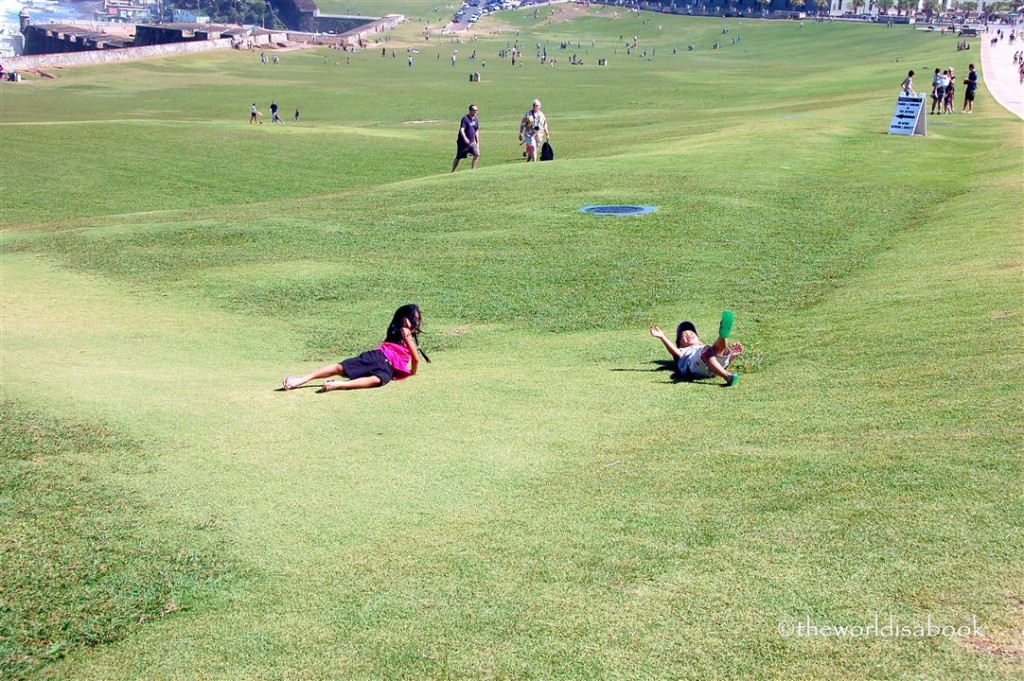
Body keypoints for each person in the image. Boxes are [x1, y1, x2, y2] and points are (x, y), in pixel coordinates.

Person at [282, 305, 428, 392]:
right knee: (377, 380)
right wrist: (411, 372)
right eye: (415, 319)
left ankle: (304, 379)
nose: (417, 322)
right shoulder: (406, 333)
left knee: (341, 368)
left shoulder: (397, 331)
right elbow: (415, 359)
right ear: (404, 319)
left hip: (377, 357)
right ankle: (338, 385)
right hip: (385, 364)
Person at [649, 310, 741, 387]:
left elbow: (722, 364)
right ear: (680, 344)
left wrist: (731, 356)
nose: (689, 335)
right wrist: (662, 337)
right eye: (683, 336)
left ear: (699, 339)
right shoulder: (684, 350)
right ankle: (727, 376)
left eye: (692, 333)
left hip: (714, 367)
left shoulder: (702, 346)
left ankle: (723, 336)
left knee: (716, 349)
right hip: (695, 367)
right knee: (707, 351)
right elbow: (675, 352)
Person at [452, 104, 480, 172]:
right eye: (474, 110)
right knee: (459, 157)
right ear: (470, 110)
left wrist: (477, 141)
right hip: (463, 143)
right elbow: (462, 129)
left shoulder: (476, 119)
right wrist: (465, 138)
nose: (475, 112)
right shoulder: (465, 119)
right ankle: (453, 171)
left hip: (472, 141)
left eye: (477, 110)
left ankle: (472, 170)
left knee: (477, 154)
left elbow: (476, 130)